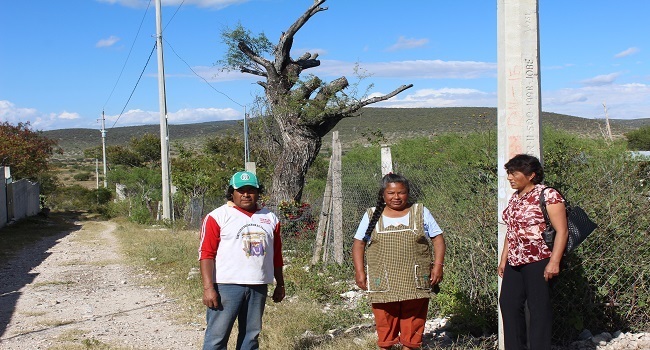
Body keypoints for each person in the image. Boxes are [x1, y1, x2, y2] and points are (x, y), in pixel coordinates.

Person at [352, 173, 446, 350]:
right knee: (385, 322)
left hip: (415, 280)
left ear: (408, 193)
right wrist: (360, 272)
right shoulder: (372, 215)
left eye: (401, 193)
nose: (396, 197)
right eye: (391, 193)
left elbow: (438, 239)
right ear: (383, 194)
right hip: (383, 280)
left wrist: (438, 266)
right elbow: (359, 244)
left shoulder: (421, 212)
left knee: (413, 323)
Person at [198, 171, 285, 350]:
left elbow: (276, 254)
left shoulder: (270, 218)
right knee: (217, 337)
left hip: (258, 286)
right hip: (226, 286)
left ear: (258, 192)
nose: (246, 194)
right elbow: (206, 254)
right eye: (241, 190)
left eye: (251, 190)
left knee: (251, 337)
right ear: (232, 193)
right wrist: (208, 288)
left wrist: (280, 284)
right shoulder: (217, 216)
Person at [498, 154, 569, 350]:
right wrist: (504, 258)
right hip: (515, 260)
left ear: (531, 175)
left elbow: (562, 230)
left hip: (540, 259)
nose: (510, 177)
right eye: (509, 173)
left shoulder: (548, 195)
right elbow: (511, 230)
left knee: (539, 309)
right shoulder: (515, 197)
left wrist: (554, 261)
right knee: (508, 304)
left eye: (514, 173)